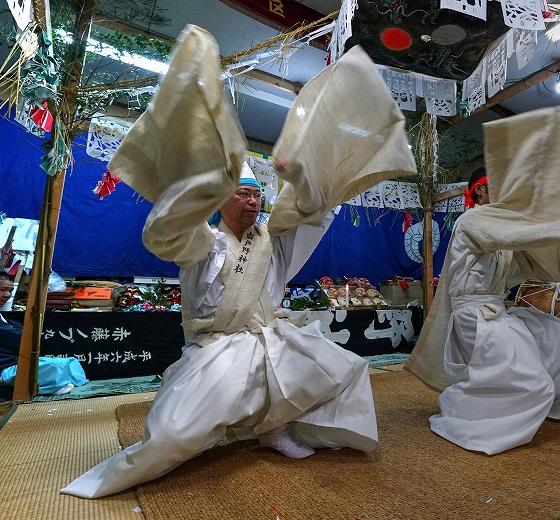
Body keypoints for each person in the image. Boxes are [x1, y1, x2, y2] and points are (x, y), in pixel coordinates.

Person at [60, 27, 419, 499]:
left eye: (257, 194)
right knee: (173, 435)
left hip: (272, 339)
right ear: (220, 199)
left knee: (345, 367)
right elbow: (162, 233)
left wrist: (299, 173)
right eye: (243, 193)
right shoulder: (202, 241)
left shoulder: (275, 240)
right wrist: (199, 186)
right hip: (216, 351)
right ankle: (125, 469)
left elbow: (315, 210)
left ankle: (274, 427)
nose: (253, 202)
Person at [406, 105, 560, 455]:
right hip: (475, 318)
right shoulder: (473, 222)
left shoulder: (501, 232)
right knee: (532, 383)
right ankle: (464, 412)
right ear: (478, 192)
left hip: (499, 311)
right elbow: (521, 235)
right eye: (494, 186)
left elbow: (527, 263)